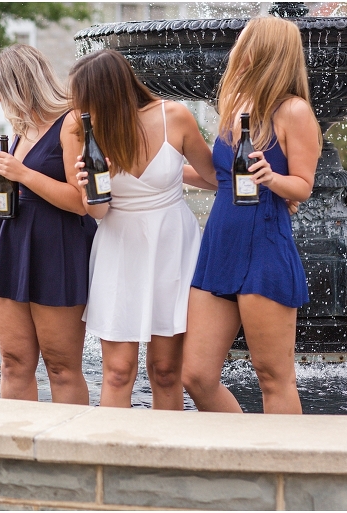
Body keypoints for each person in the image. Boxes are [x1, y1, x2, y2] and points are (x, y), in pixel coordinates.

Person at [181, 16, 322, 414]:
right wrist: (158, 170)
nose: (235, 51)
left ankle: (285, 470)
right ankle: (244, 454)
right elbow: (219, 177)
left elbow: (303, 186)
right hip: (220, 244)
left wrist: (272, 178)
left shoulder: (294, 111)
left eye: (242, 43)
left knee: (273, 376)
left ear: (263, 51)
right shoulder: (236, 104)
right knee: (196, 375)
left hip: (265, 246)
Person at [71, 49, 218, 409]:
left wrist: (171, 174)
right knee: (119, 370)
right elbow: (100, 213)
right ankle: (109, 458)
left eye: (86, 98)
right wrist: (88, 186)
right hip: (119, 247)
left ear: (108, 93)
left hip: (172, 246)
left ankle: (167, 459)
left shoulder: (175, 117)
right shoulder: (86, 132)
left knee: (166, 369)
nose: (80, 108)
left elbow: (217, 179)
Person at [0, 44, 97, 405]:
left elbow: (81, 202)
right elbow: (23, 185)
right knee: (13, 362)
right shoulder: (21, 128)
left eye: (0, 88)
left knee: (61, 366)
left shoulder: (71, 123)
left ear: (19, 85)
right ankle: (17, 448)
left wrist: (22, 173)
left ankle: (70, 450)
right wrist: (2, 196)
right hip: (13, 242)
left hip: (58, 246)